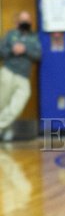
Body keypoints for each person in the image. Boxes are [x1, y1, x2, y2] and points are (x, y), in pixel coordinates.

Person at [0, 10, 42, 141]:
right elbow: (1, 51)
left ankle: (1, 125)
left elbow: (38, 55)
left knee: (18, 103)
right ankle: (5, 129)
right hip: (8, 72)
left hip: (23, 76)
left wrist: (25, 50)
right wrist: (12, 50)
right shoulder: (10, 35)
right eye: (23, 20)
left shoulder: (34, 38)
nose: (25, 22)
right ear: (17, 22)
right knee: (2, 103)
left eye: (27, 20)